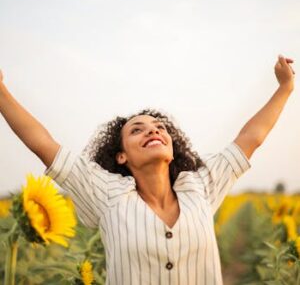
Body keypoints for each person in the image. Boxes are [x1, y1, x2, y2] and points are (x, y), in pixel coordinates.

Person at [0, 55, 295, 285]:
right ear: (120, 156)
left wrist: (285, 88)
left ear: (171, 146)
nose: (152, 131)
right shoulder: (106, 195)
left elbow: (250, 139)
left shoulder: (200, 187)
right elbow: (42, 144)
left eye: (159, 128)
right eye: (137, 130)